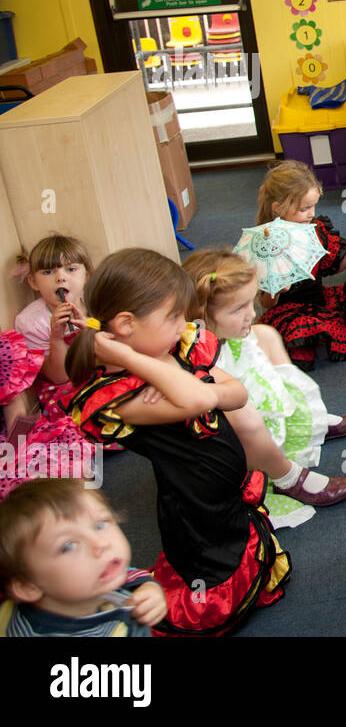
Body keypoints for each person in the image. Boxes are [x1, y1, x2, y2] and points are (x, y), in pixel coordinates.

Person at [65, 249, 291, 636]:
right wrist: (134, 362)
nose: (183, 323)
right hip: (194, 508)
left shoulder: (176, 348)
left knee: (238, 541)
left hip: (225, 496)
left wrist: (182, 380)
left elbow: (236, 394)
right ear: (124, 326)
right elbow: (204, 400)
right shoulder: (122, 396)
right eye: (172, 316)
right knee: (212, 563)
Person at [182, 250, 346, 526]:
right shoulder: (197, 358)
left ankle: (305, 420)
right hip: (226, 441)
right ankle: (285, 477)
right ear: (202, 313)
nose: (251, 314)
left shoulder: (226, 335)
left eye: (250, 303)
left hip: (246, 401)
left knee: (265, 334)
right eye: (238, 309)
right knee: (245, 413)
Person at [254, 160, 346, 371]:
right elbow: (266, 302)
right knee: (302, 335)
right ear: (278, 209)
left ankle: (321, 337)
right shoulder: (267, 245)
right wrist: (277, 291)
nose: (311, 213)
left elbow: (330, 265)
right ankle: (312, 340)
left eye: (313, 206)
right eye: (303, 209)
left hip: (320, 300)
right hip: (290, 312)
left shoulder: (314, 229)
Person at [0, 479, 167, 637]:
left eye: (100, 525)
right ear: (28, 586)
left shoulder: (94, 579)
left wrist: (148, 587)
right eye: (69, 546)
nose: (100, 543)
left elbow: (127, 574)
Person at [11, 236, 94, 422]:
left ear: (86, 275)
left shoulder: (96, 302)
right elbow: (58, 377)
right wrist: (56, 337)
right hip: (67, 385)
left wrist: (90, 327)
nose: (60, 277)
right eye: (48, 272)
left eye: (71, 269)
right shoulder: (31, 321)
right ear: (33, 282)